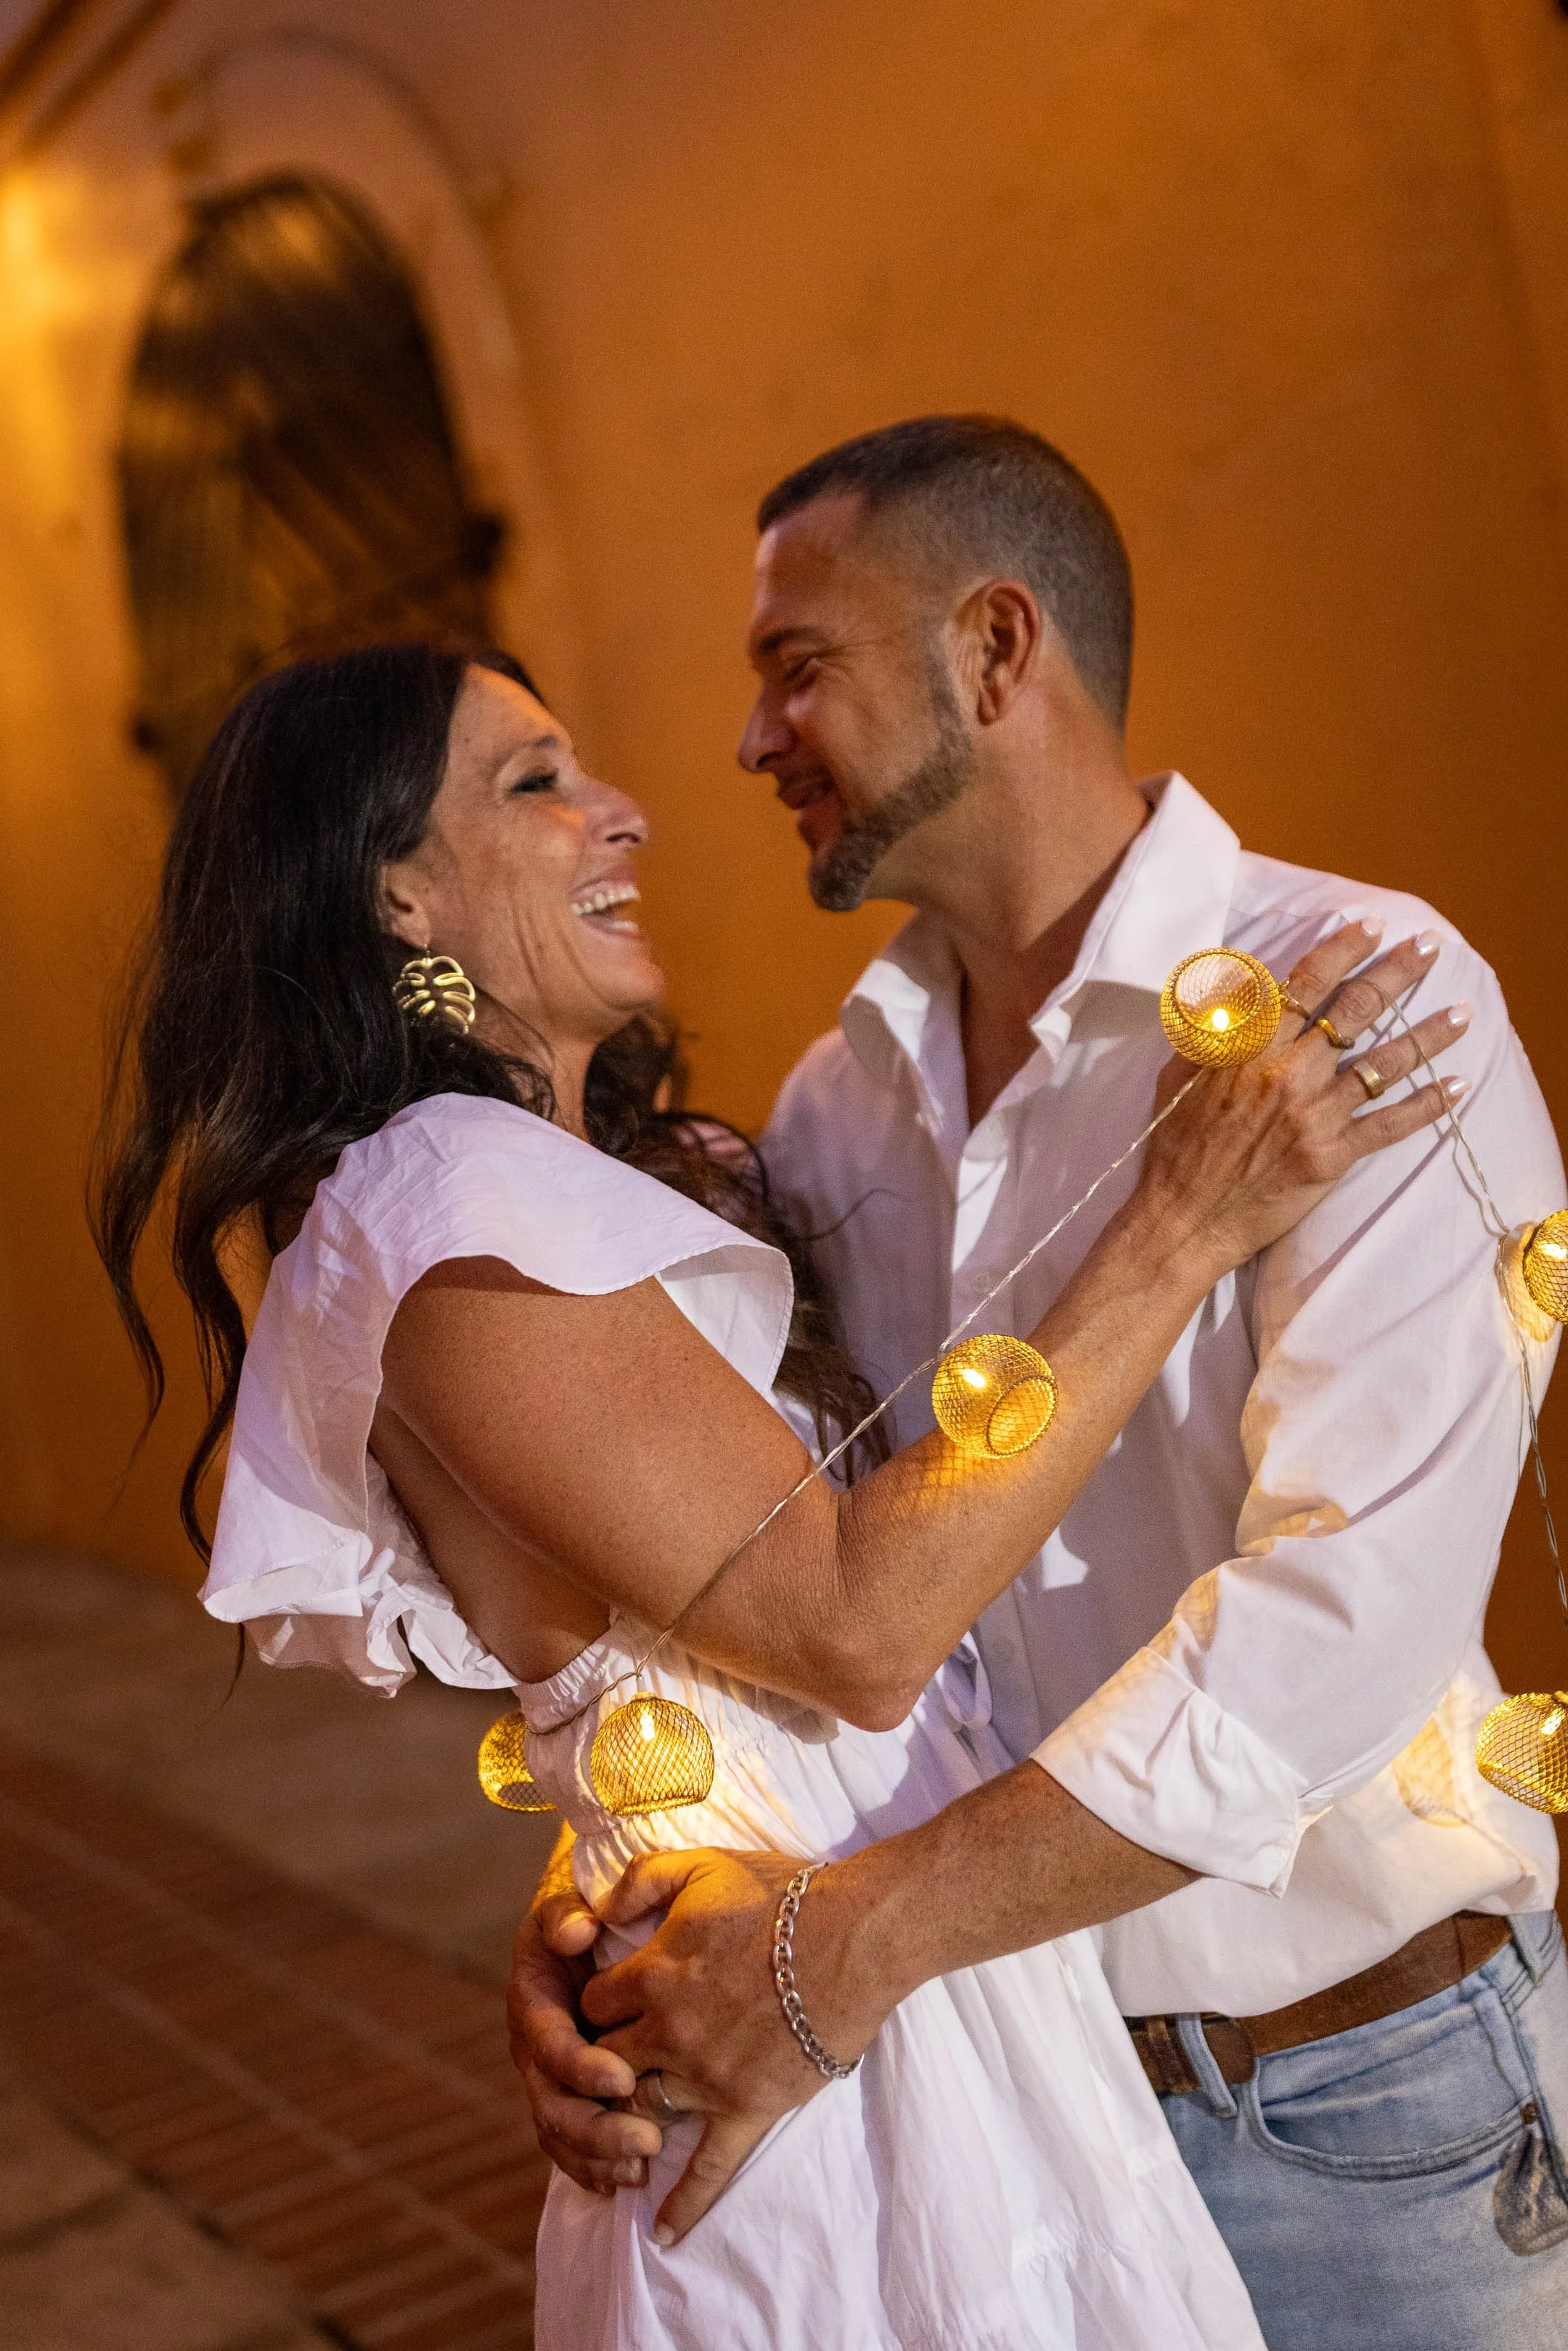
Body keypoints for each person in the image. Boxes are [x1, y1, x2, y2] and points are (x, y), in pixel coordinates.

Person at [93, 641, 1462, 2350]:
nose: (627, 813)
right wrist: (1182, 1214)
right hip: (825, 2095)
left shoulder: (635, 1179)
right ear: (396, 906)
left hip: (873, 2012)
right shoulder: (447, 1203)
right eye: (534, 784)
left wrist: (595, 1901)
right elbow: (850, 1626)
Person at [510, 417, 1568, 2350]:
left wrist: (848, 1945)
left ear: (996, 650)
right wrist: (630, 1923)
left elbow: (1335, 1626)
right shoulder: (842, 1106)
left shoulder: (1354, 993)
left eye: (795, 664)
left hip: (1368, 2105)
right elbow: (796, 1586)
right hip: (1012, 2118)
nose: (749, 739)